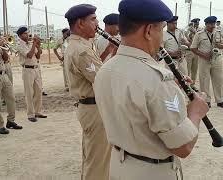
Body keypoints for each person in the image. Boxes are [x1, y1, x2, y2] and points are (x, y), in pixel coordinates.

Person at [94, 0, 209, 179]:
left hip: (119, 167)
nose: (162, 37)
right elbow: (183, 147)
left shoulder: (106, 69)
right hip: (152, 172)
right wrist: (196, 112)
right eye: (161, 29)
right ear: (148, 31)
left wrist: (172, 89)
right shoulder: (156, 81)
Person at [64, 4, 111, 180]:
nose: (97, 23)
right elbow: (102, 81)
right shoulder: (81, 50)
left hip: (91, 108)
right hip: (93, 109)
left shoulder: (81, 45)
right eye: (93, 19)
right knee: (98, 160)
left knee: (94, 156)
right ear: (79, 23)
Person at [191, 16, 223, 108]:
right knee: (204, 80)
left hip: (217, 60)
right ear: (206, 24)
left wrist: (219, 45)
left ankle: (220, 100)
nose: (213, 26)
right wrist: (203, 55)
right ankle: (207, 101)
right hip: (204, 60)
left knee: (219, 80)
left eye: (214, 24)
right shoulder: (199, 34)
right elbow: (193, 48)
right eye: (211, 24)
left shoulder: (219, 32)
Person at [16, 27, 47, 122]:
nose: (27, 35)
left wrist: (38, 45)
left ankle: (37, 112)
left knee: (38, 91)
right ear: (20, 35)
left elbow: (38, 55)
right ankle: (30, 114)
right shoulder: (19, 45)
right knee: (29, 93)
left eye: (27, 33)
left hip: (36, 69)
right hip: (27, 70)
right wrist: (34, 44)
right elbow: (29, 55)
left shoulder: (30, 43)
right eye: (25, 33)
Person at [186, 18, 201, 85]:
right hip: (189, 52)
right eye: (195, 23)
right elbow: (186, 40)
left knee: (194, 69)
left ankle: (193, 84)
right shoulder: (187, 30)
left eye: (197, 23)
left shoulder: (200, 30)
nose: (196, 24)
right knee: (188, 69)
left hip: (196, 52)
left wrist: (194, 32)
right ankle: (187, 84)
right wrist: (190, 32)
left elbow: (200, 39)